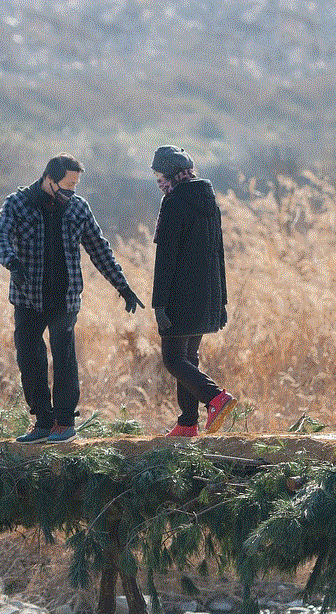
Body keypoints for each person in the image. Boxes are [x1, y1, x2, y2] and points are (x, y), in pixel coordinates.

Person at [0, 153, 144, 444]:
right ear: (48, 180)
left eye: (75, 185)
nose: (71, 191)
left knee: (64, 359)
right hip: (27, 296)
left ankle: (64, 423)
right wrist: (11, 262)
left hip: (65, 298)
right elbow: (1, 236)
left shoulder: (77, 208)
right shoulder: (17, 203)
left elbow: (100, 249)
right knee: (29, 358)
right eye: (66, 185)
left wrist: (122, 286)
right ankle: (42, 422)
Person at [149, 145, 235, 437]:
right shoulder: (209, 203)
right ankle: (187, 424)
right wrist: (220, 301)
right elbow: (218, 254)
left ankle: (215, 398)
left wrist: (159, 305)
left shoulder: (173, 204)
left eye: (160, 175)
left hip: (179, 296)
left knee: (173, 359)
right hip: (206, 295)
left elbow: (166, 258)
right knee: (189, 358)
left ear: (172, 176)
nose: (158, 181)